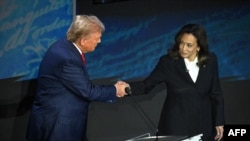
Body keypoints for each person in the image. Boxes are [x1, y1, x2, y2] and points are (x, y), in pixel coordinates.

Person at [26, 14, 129, 141]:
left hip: (58, 121)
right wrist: (115, 90)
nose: (99, 41)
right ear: (83, 41)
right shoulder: (67, 58)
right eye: (97, 38)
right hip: (59, 127)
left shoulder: (65, 46)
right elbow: (87, 91)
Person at [125, 24, 224, 141]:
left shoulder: (210, 60)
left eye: (189, 45)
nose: (183, 48)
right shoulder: (168, 62)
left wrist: (219, 121)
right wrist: (126, 88)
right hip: (176, 127)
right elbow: (147, 85)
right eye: (181, 43)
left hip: (204, 125)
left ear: (198, 47)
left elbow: (215, 93)